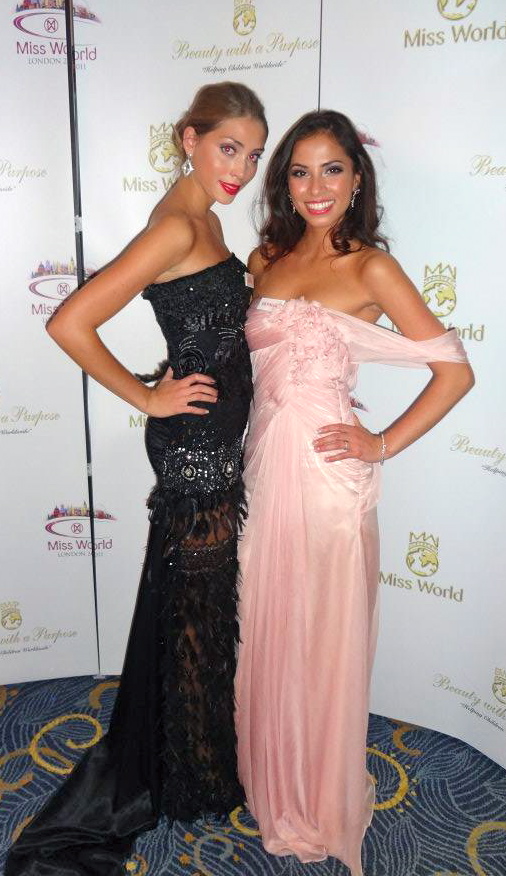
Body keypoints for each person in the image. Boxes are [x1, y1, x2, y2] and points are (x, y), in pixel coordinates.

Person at [5, 81, 267, 876]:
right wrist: (149, 395)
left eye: (254, 156)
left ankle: (192, 756)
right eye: (229, 148)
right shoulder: (177, 226)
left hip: (212, 442)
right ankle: (181, 772)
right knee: (193, 608)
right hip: (193, 447)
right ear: (190, 138)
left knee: (193, 604)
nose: (241, 169)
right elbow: (70, 321)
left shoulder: (206, 216)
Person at [234, 110, 474, 875]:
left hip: (328, 481)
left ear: (357, 178)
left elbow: (455, 371)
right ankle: (274, 780)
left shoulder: (371, 268)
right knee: (267, 627)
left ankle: (315, 801)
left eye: (332, 169)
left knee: (321, 640)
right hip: (263, 471)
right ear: (285, 183)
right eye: (300, 171)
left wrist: (382, 442)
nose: (317, 186)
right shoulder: (265, 257)